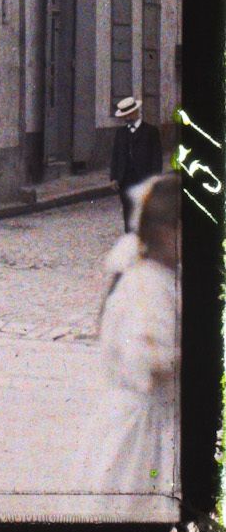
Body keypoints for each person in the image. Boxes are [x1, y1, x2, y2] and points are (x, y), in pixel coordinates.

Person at [80, 172, 179, 494]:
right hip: (149, 430)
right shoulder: (147, 284)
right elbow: (152, 360)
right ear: (164, 231)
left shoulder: (165, 278)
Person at [109, 96, 164, 228]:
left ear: (136, 112)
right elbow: (115, 156)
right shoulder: (120, 133)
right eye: (125, 116)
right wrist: (114, 177)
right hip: (125, 178)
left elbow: (157, 158)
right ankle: (130, 238)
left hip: (144, 178)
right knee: (127, 210)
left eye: (129, 114)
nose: (127, 118)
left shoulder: (150, 131)